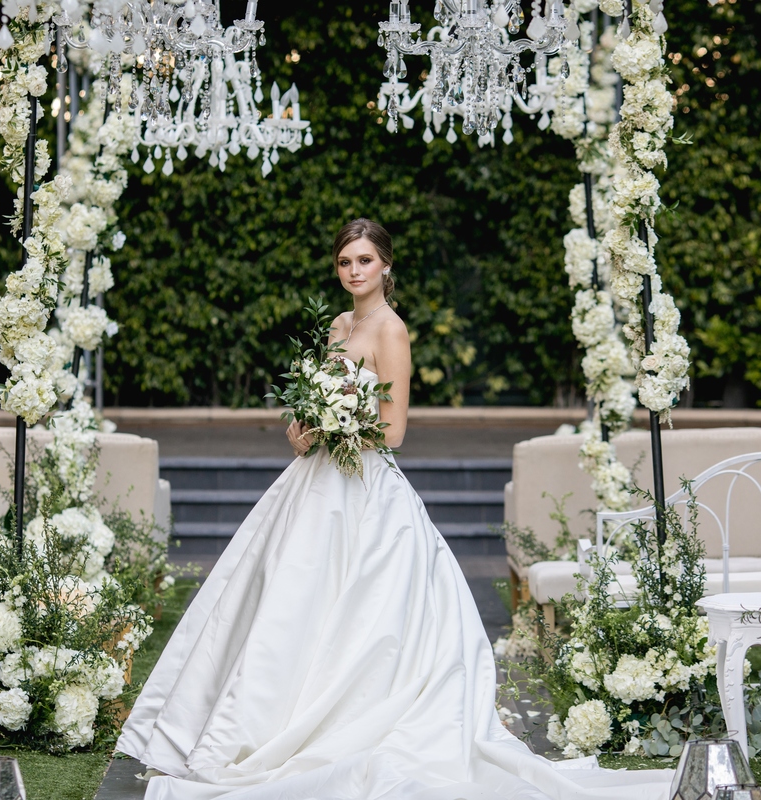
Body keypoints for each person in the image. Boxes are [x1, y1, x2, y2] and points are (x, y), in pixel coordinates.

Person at [117, 219, 672, 800]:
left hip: (363, 486)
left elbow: (396, 430)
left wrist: (342, 421)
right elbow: (309, 401)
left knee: (358, 611)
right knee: (289, 601)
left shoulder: (391, 330)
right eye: (344, 262)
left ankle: (345, 719)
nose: (353, 271)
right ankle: (263, 722)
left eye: (364, 261)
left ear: (385, 266)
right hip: (314, 482)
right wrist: (304, 424)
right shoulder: (337, 325)